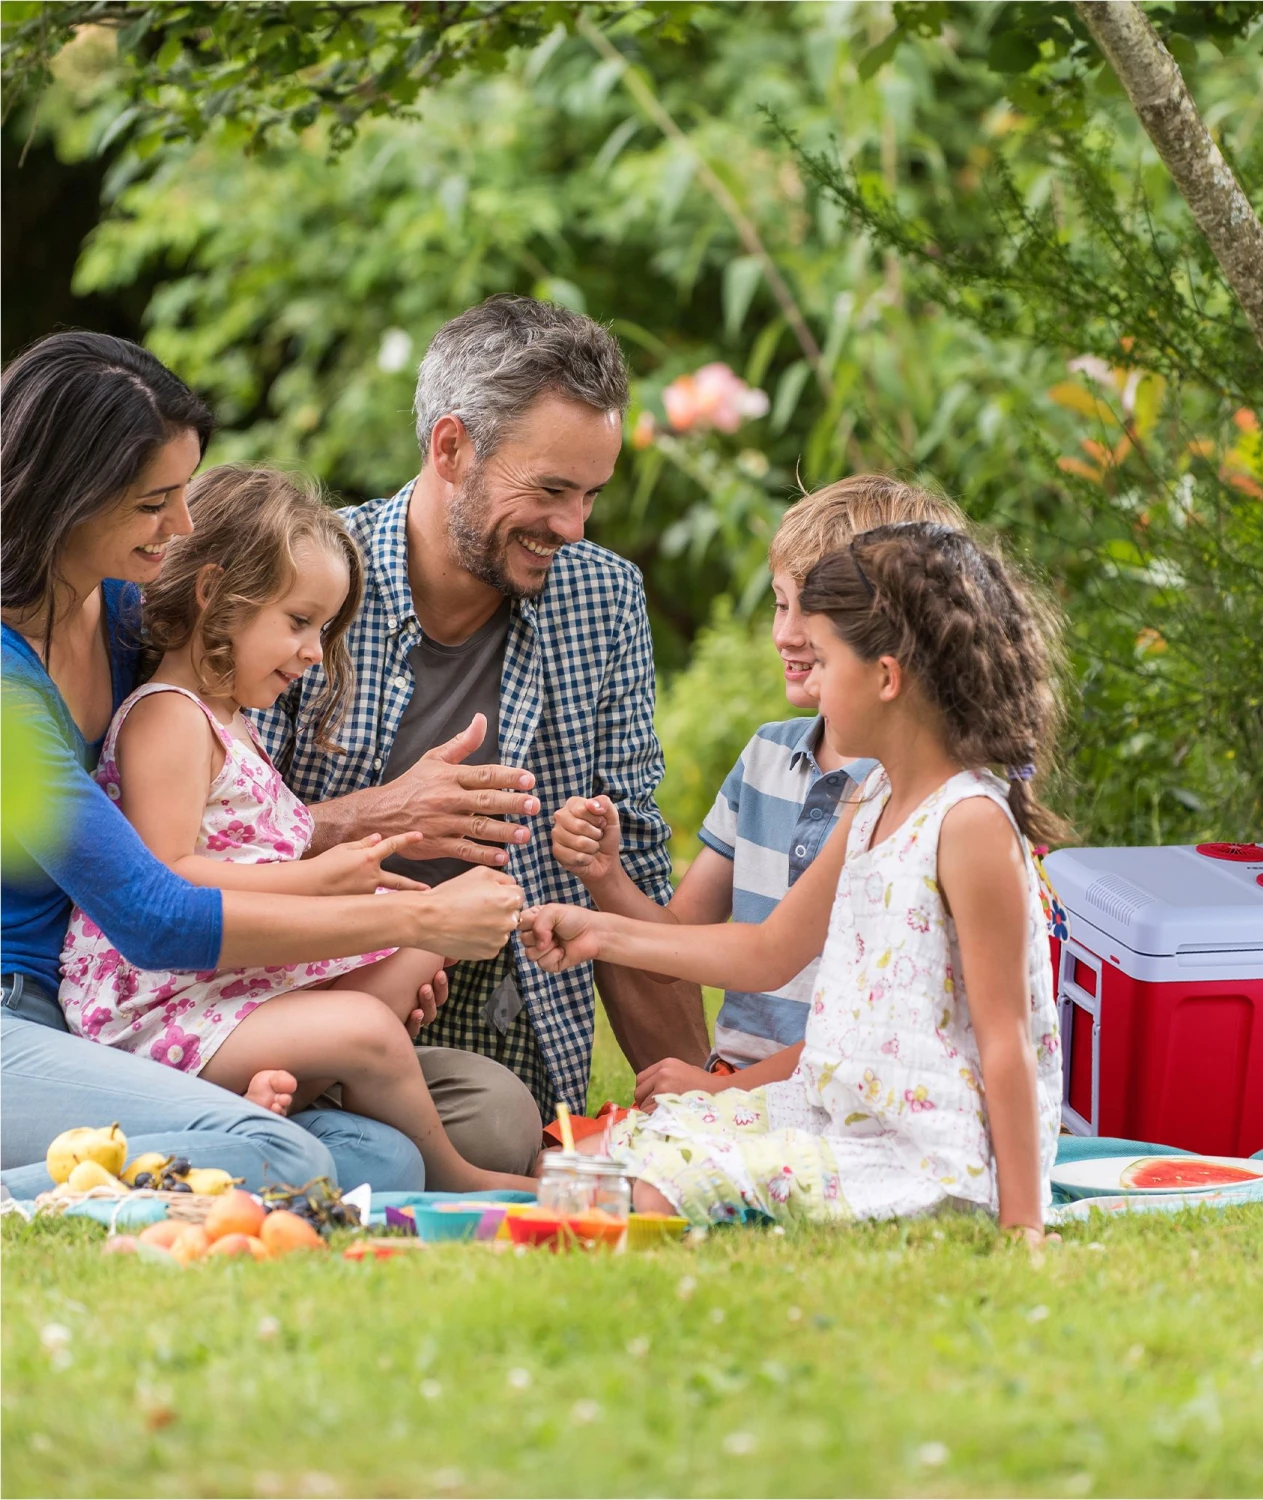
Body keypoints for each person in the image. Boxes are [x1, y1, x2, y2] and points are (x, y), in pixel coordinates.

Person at [1, 332, 523, 1199]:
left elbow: (219, 824)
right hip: (21, 1016)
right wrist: (418, 919)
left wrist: (374, 882)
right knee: (288, 1160)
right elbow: (155, 913)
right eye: (154, 502)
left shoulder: (125, 618)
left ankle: (182, 1134)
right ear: (68, 496)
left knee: (389, 1160)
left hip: (122, 1014)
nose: (183, 525)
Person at [521, 522, 1067, 1241]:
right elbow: (767, 951)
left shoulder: (968, 823)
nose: (813, 679)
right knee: (590, 1159)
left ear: (886, 677)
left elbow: (1006, 1040)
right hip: (834, 1115)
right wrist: (598, 931)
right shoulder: (876, 799)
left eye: (827, 659)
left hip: (925, 1161)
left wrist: (1023, 1224)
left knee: (637, 1193)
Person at [251, 296, 706, 1119]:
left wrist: (704, 1114)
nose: (573, 526)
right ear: (451, 448)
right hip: (292, 997)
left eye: (591, 495)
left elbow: (630, 871)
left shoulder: (603, 599)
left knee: (500, 1126)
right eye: (551, 489)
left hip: (498, 1019)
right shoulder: (300, 580)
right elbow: (212, 845)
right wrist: (383, 815)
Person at [549, 476, 968, 1103]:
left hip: (833, 1095)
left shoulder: (909, 801)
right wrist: (605, 877)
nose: (787, 635)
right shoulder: (767, 758)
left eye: (813, 615)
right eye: (780, 604)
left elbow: (868, 1028)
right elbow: (686, 946)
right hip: (741, 1085)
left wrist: (726, 1094)